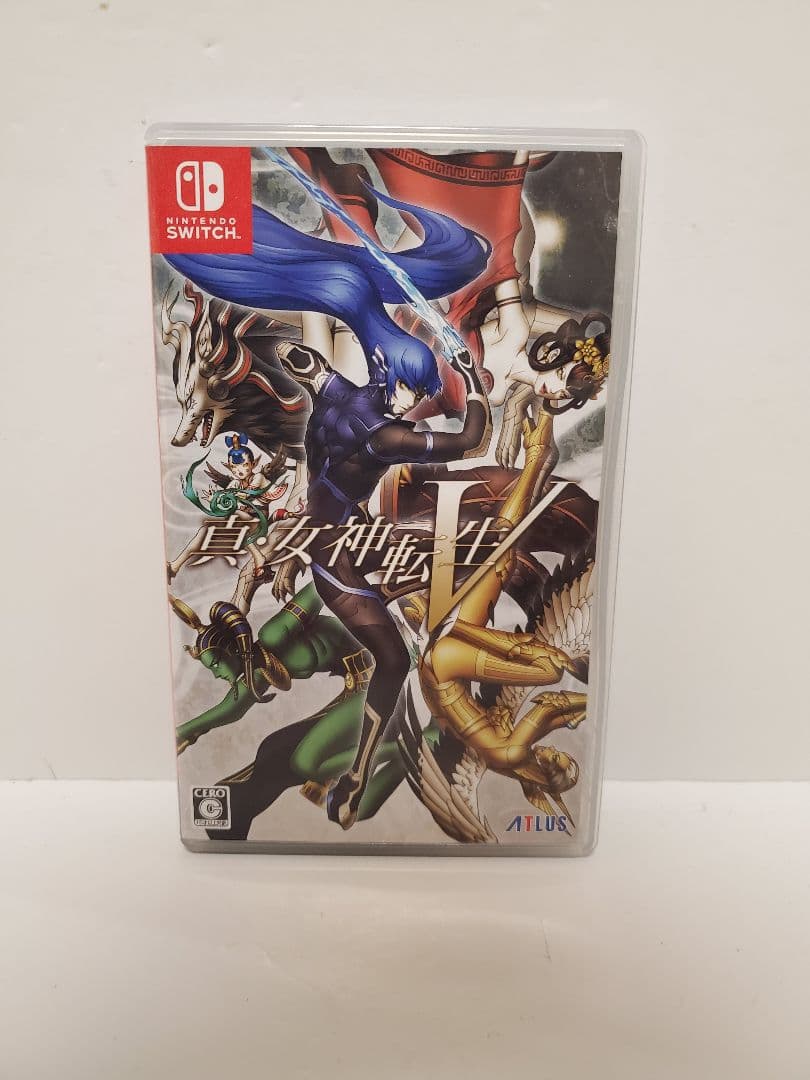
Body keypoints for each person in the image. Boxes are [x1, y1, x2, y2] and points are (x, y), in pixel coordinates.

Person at [274, 338, 491, 828]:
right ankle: (357, 776)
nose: (420, 402)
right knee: (393, 660)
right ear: (401, 385)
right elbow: (472, 440)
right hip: (336, 562)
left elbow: (297, 357)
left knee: (437, 546)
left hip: (348, 531)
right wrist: (470, 377)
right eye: (419, 391)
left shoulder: (338, 391)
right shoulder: (385, 436)